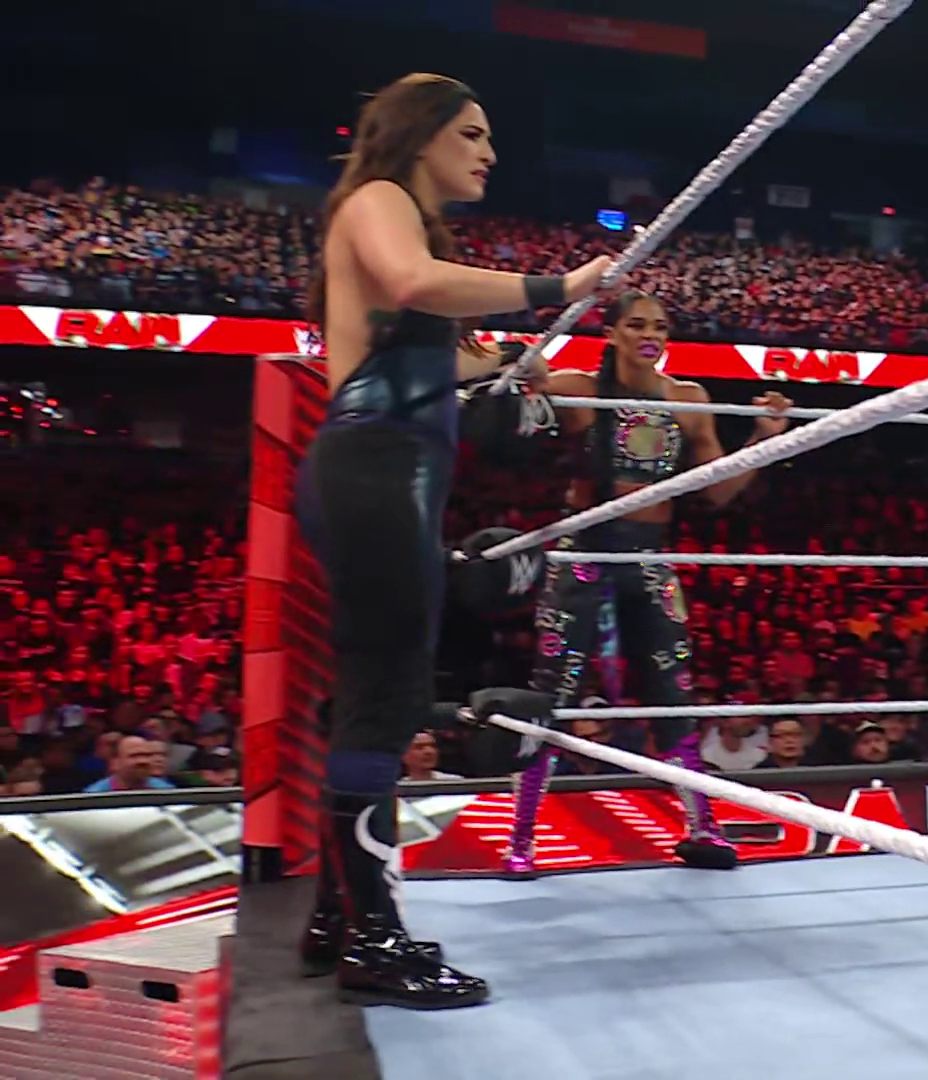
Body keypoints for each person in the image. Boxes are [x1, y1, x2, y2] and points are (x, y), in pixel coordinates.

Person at [295, 72, 611, 1008]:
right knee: (387, 699)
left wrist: (515, 365)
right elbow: (415, 282)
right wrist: (559, 285)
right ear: (421, 133)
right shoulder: (379, 198)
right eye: (471, 133)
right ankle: (373, 942)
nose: (489, 153)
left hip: (387, 473)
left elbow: (447, 357)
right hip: (376, 472)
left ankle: (337, 918)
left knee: (375, 693)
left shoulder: (395, 231)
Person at [503, 291, 791, 875]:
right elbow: (516, 412)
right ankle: (522, 838)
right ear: (611, 333)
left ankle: (701, 826)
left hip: (650, 558)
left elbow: (717, 490)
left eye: (659, 325)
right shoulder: (581, 389)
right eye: (636, 324)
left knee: (673, 692)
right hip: (583, 554)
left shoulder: (688, 400)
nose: (649, 334)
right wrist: (525, 375)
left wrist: (764, 437)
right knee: (554, 693)